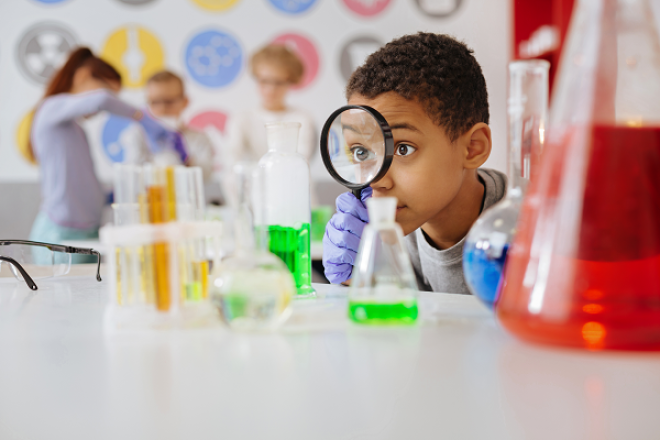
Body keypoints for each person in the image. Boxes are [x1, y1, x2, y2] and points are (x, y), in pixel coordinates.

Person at [322, 33, 507, 294]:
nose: (377, 181)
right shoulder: (391, 233)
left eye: (402, 148)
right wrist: (358, 280)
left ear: (473, 148)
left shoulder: (529, 232)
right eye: (362, 153)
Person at [29, 47, 174, 251]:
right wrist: (143, 118)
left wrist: (110, 194)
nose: (111, 103)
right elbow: (101, 100)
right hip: (60, 234)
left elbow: (79, 181)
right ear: (83, 76)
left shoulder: (74, 128)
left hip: (88, 232)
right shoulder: (50, 108)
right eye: (108, 90)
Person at [225, 44, 317, 205]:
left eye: (278, 82)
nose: (270, 89)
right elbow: (232, 167)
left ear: (290, 81)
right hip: (254, 203)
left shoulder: (302, 118)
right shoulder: (242, 119)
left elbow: (299, 165)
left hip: (296, 203)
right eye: (264, 81)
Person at [122, 70, 216, 183]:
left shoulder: (199, 139)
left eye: (169, 102)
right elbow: (131, 177)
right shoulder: (137, 135)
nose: (162, 109)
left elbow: (206, 177)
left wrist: (185, 159)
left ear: (185, 101)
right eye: (155, 102)